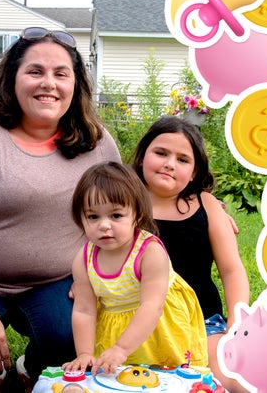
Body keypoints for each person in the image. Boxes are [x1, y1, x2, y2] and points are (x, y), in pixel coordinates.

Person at [0, 27, 121, 393]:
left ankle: (31, 365)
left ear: (75, 85)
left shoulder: (96, 142)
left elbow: (123, 205)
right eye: (35, 72)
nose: (49, 84)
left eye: (61, 74)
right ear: (12, 78)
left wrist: (201, 200)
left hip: (55, 281)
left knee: (72, 338)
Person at [131, 116, 250, 393]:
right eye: (160, 153)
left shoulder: (206, 205)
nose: (170, 163)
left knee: (231, 378)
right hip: (137, 323)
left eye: (183, 160)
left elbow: (231, 270)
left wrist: (237, 319)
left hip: (202, 322)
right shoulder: (122, 206)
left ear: (194, 172)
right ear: (141, 157)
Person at [62, 161, 208, 375]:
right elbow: (84, 310)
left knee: (165, 377)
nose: (104, 225)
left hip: (160, 324)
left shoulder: (149, 253)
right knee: (118, 378)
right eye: (93, 216)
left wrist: (121, 348)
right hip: (114, 325)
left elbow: (152, 306)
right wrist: (84, 353)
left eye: (116, 215)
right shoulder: (83, 260)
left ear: (137, 215)